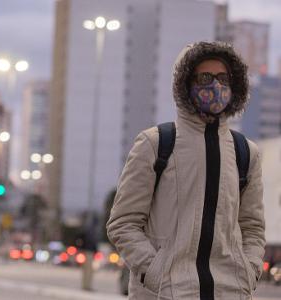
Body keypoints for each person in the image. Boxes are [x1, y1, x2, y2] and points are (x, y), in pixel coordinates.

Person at [107, 41, 265, 299]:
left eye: (223, 78)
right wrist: (157, 272)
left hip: (230, 292)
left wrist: (249, 271)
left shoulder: (246, 152)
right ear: (185, 83)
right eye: (205, 77)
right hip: (165, 292)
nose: (216, 86)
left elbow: (253, 227)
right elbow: (122, 223)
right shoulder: (155, 143)